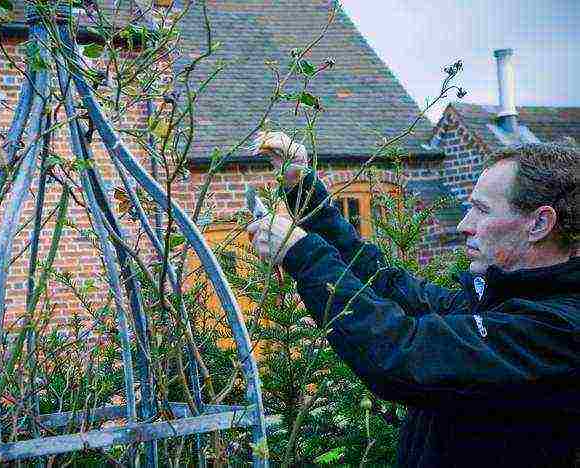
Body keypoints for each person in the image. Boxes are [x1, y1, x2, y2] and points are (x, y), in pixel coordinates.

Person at [247, 132, 580, 467]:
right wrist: (302, 187)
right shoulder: (501, 300)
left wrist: (304, 255)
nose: (465, 224)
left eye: (482, 210)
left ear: (539, 223)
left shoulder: (557, 329)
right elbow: (388, 285)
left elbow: (401, 354)